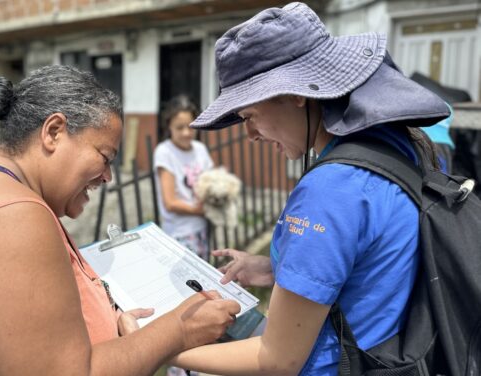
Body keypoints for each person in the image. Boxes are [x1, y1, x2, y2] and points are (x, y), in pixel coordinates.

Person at [0, 65, 240, 375]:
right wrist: (178, 329)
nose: (107, 177)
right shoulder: (8, 217)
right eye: (104, 156)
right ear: (53, 132)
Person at [169, 2, 450, 375]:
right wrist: (275, 268)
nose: (250, 134)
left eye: (249, 116)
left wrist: (159, 348)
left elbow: (275, 361)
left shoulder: (329, 191)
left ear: (296, 94)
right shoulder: (396, 145)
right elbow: (370, 260)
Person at [154, 95, 214, 261]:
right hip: (179, 233)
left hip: (202, 228)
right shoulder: (165, 152)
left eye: (190, 126)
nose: (186, 133)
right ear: (169, 126)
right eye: (179, 127)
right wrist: (201, 210)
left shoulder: (200, 149)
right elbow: (170, 202)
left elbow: (211, 183)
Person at [420, 104, 455, 173]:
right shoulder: (445, 104)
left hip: (424, 138)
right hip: (444, 142)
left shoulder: (420, 103)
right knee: (443, 175)